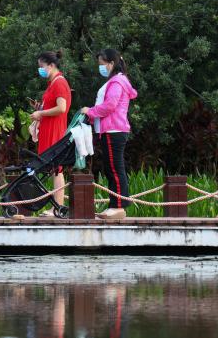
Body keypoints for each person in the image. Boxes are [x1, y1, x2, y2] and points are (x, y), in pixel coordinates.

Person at [80, 48, 138, 219]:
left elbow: (110, 105)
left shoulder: (117, 82)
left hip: (114, 130)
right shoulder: (115, 80)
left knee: (114, 167)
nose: (101, 67)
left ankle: (119, 206)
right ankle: (114, 204)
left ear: (112, 63)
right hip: (110, 130)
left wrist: (90, 111)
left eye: (102, 64)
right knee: (111, 168)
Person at [29, 50, 72, 209]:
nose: (40, 69)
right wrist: (40, 108)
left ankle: (58, 206)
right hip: (49, 129)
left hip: (55, 130)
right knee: (54, 169)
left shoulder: (60, 83)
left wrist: (41, 112)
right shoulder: (52, 83)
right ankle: (56, 205)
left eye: (42, 66)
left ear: (52, 65)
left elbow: (62, 108)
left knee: (57, 169)